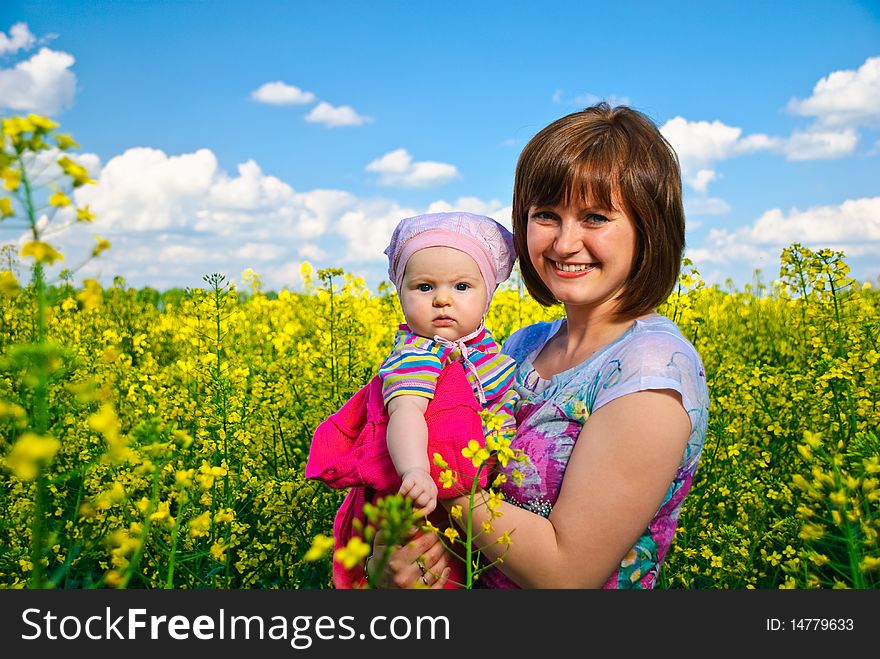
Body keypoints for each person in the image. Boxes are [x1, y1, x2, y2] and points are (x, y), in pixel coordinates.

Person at [368, 102, 710, 589]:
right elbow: (480, 526)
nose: (565, 243)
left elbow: (566, 574)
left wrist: (443, 480)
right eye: (546, 215)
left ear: (648, 228)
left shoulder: (649, 370)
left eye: (595, 217)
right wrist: (401, 563)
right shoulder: (523, 346)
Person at [307, 211, 519, 588]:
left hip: (476, 510)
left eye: (462, 287)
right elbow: (407, 412)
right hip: (422, 498)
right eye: (424, 287)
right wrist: (415, 471)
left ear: (489, 293)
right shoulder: (417, 354)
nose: (442, 300)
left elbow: (502, 413)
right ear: (399, 292)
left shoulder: (490, 355)